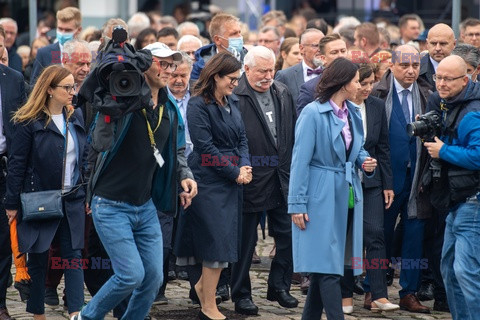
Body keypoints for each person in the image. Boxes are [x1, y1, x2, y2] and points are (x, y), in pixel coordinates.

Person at [76, 39, 196, 320]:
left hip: (145, 206)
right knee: (130, 275)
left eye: (171, 64)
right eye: (161, 63)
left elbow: (176, 151)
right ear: (143, 67)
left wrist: (184, 177)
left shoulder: (170, 108)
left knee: (152, 279)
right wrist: (88, 192)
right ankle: (86, 316)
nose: (167, 69)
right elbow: (95, 146)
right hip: (111, 204)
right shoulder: (123, 101)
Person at [289, 57, 377, 320]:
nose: (361, 85)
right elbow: (299, 161)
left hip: (346, 193)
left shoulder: (351, 111)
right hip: (320, 195)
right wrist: (296, 204)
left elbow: (355, 146)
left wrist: (363, 160)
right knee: (329, 268)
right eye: (357, 81)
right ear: (343, 83)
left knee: (326, 264)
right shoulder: (312, 113)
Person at [175, 52, 252, 320]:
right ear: (216, 76)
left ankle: (204, 292)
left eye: (237, 78)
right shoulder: (198, 105)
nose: (235, 83)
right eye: (231, 78)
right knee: (215, 245)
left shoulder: (232, 102)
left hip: (231, 181)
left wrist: (244, 166)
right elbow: (204, 147)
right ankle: (208, 306)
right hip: (208, 182)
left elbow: (242, 138)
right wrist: (234, 172)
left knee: (224, 243)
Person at [5, 65, 86, 320]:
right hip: (39, 198)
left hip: (71, 198)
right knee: (39, 256)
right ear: (50, 90)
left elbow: (84, 159)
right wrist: (11, 203)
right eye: (67, 87)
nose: (73, 92)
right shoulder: (28, 122)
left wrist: (87, 192)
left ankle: (76, 311)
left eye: (74, 86)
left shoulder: (76, 117)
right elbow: (17, 163)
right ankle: (37, 312)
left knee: (73, 256)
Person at [232, 46, 297, 315]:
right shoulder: (236, 96)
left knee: (289, 236)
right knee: (245, 243)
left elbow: (291, 132)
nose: (268, 75)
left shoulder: (282, 92)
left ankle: (279, 286)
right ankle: (241, 294)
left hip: (281, 177)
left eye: (271, 69)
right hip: (250, 178)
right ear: (246, 70)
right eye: (262, 70)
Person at [370, 44, 431, 313]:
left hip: (418, 177)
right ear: (392, 66)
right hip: (386, 179)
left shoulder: (428, 94)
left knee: (414, 234)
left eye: (415, 65)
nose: (410, 70)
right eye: (404, 65)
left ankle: (409, 291)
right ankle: (374, 288)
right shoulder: (378, 94)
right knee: (379, 233)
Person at [423, 54, 480, 320]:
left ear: (465, 80)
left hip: (473, 201)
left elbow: (478, 156)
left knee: (465, 272)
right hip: (456, 200)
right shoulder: (449, 103)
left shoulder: (471, 113)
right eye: (438, 77)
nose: (441, 83)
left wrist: (444, 150)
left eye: (448, 79)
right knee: (449, 270)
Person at [341, 64, 398, 314]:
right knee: (344, 236)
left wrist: (388, 184)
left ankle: (378, 295)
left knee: (375, 233)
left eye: (371, 82)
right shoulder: (338, 108)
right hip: (343, 182)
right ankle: (343, 295)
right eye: (362, 83)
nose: (367, 88)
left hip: (371, 181)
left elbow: (383, 147)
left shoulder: (375, 105)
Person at [0, 24, 27, 320]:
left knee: (2, 241)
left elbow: (20, 132)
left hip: (3, 167)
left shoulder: (13, 79)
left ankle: (0, 303)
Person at [297, 33, 348, 115]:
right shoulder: (310, 88)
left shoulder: (356, 81)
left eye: (343, 51)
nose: (340, 55)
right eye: (334, 52)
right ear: (323, 58)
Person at [31, 7, 83, 83]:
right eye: (60, 29)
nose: (62, 33)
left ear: (78, 30)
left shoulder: (86, 53)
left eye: (68, 30)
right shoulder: (43, 53)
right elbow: (34, 86)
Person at [190, 13, 247, 82]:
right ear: (217, 39)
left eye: (239, 32)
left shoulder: (248, 59)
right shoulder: (202, 66)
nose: (239, 37)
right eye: (234, 34)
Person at [274, 28, 324, 104]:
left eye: (322, 46)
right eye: (315, 46)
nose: (320, 49)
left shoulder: (332, 73)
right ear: (301, 48)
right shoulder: (285, 76)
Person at [419, 24, 456, 92]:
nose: (438, 48)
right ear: (427, 44)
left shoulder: (464, 68)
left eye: (443, 44)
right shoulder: (417, 69)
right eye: (433, 43)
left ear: (454, 44)